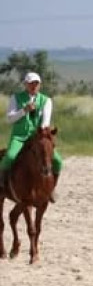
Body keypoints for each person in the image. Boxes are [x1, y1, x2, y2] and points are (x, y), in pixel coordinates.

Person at [0, 72, 63, 201]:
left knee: (57, 161)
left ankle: (51, 188)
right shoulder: (16, 98)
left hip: (38, 137)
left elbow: (46, 120)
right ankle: (2, 184)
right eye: (31, 83)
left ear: (39, 85)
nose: (34, 86)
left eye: (36, 83)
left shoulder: (46, 100)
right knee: (10, 157)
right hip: (19, 136)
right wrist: (24, 110)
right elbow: (10, 119)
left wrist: (42, 131)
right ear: (25, 85)